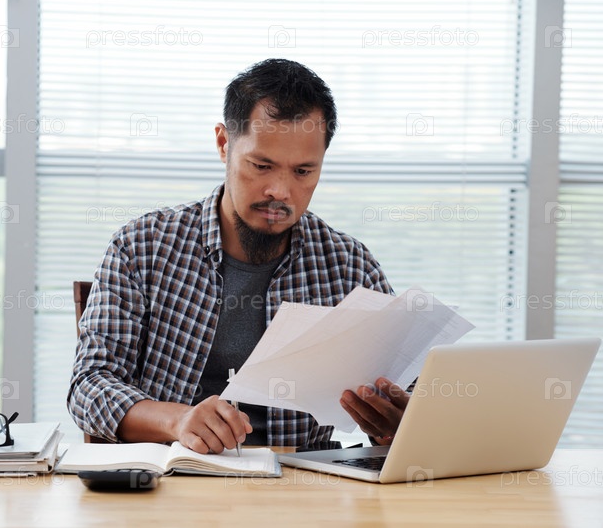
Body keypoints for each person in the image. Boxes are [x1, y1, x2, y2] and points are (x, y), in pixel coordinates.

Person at [69, 58, 409, 454]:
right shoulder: (142, 248)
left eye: (303, 172)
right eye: (262, 165)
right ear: (223, 144)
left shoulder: (349, 266)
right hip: (176, 477)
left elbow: (407, 398)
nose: (280, 191)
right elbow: (89, 387)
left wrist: (397, 425)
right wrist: (177, 420)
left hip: (304, 483)